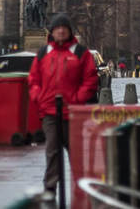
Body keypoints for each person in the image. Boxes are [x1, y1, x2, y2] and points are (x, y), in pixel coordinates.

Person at [27, 13, 99, 197]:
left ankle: (82, 187)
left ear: (69, 31)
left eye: (64, 28)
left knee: (76, 153)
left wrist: (76, 99)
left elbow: (90, 80)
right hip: (49, 111)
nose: (60, 31)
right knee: (52, 152)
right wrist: (39, 97)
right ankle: (50, 187)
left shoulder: (80, 52)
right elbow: (33, 79)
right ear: (52, 32)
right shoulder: (44, 53)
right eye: (57, 28)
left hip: (74, 113)